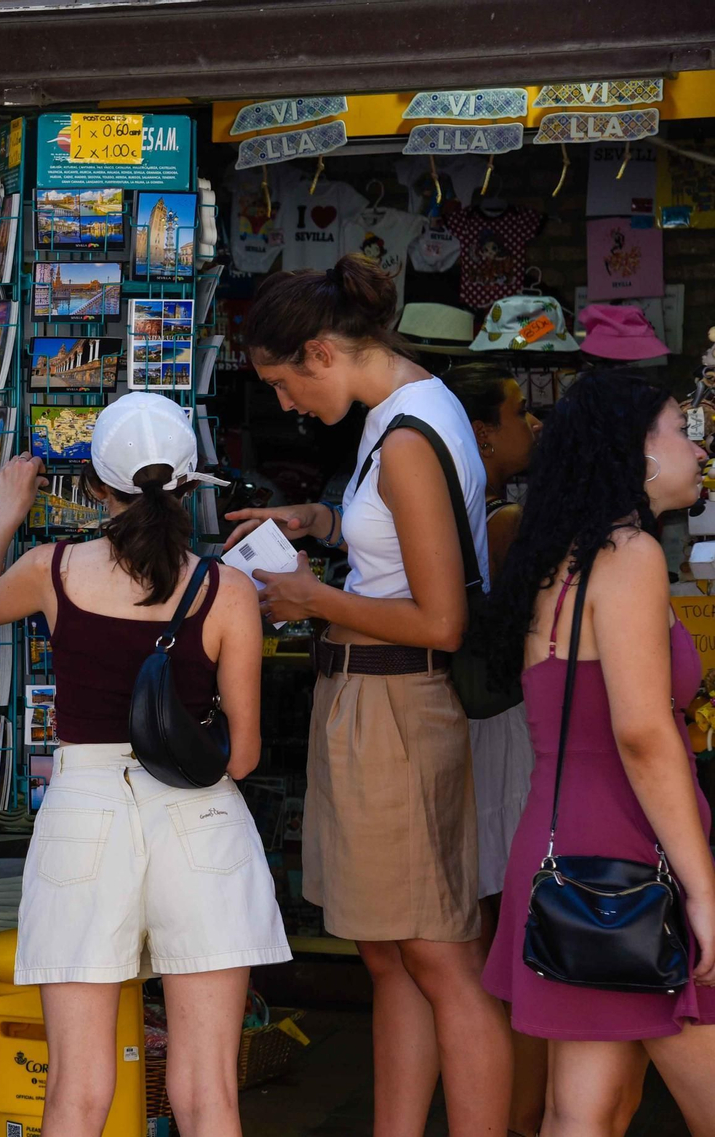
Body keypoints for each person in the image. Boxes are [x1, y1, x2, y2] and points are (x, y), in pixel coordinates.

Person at [225, 254, 512, 1134]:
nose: (284, 405)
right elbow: (402, 545)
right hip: (375, 706)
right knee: (393, 954)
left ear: (320, 352)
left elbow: (441, 620)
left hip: (399, 708)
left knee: (436, 955)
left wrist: (312, 596)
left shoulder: (404, 438)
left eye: (282, 383)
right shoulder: (409, 411)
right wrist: (319, 522)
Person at [0, 392, 290, 1137]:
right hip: (199, 817)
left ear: (98, 489)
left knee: (76, 1091)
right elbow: (247, 752)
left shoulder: (54, 569)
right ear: (188, 482)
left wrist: (10, 510)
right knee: (209, 1094)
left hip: (86, 811)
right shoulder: (226, 589)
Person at [482, 371, 715, 1134]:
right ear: (636, 453)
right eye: (681, 428)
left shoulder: (570, 557)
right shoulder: (631, 552)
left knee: (586, 1111)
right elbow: (644, 734)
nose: (698, 444)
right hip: (629, 862)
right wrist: (703, 887)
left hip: (567, 855)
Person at [445, 363, 548, 1136]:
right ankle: (516, 1111)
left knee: (493, 922)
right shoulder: (504, 523)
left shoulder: (482, 516)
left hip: (480, 727)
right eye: (520, 411)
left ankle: (508, 1109)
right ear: (481, 431)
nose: (533, 425)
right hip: (502, 729)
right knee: (512, 926)